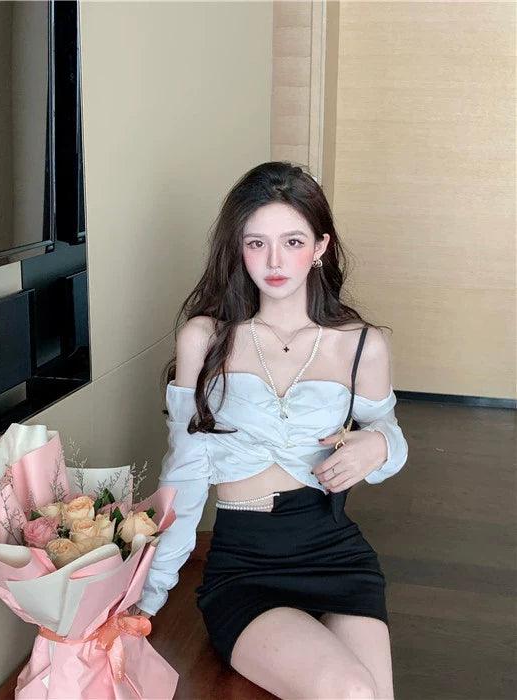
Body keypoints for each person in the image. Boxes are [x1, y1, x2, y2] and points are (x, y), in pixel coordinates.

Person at [132, 162, 409, 699]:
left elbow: (388, 430)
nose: (275, 261)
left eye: (293, 242)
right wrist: (148, 596)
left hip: (336, 554)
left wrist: (378, 444)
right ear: (238, 248)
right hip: (246, 566)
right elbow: (184, 475)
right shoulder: (205, 339)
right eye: (257, 243)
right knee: (351, 690)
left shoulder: (361, 345)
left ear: (321, 247)